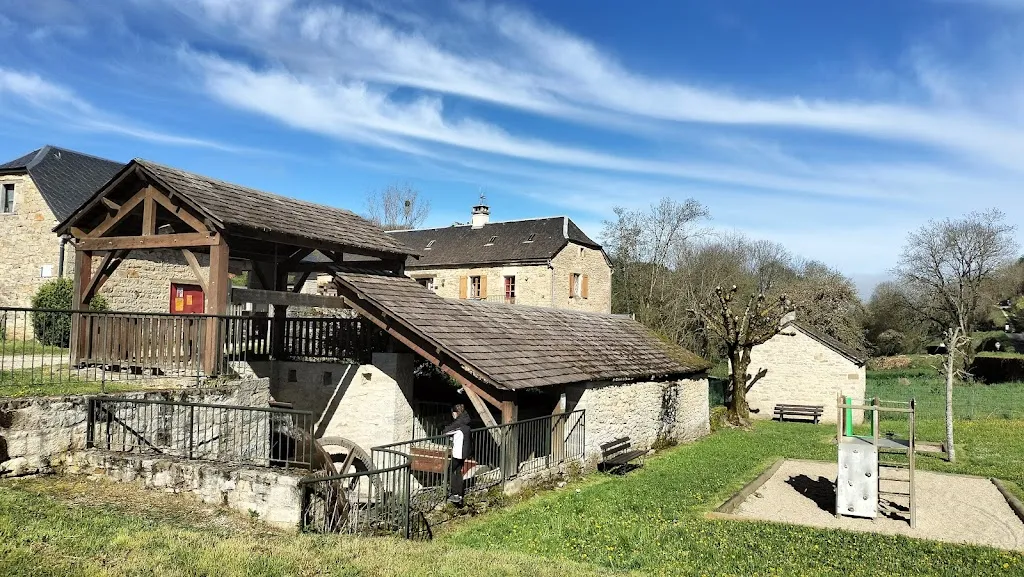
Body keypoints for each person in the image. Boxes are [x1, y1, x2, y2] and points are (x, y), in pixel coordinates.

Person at [442, 403, 472, 506]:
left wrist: (446, 428)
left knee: (450, 470)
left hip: (458, 452)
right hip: (465, 450)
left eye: (453, 413)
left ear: (455, 413)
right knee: (458, 471)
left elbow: (446, 431)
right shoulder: (466, 420)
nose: (452, 415)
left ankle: (454, 493)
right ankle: (459, 495)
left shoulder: (458, 423)